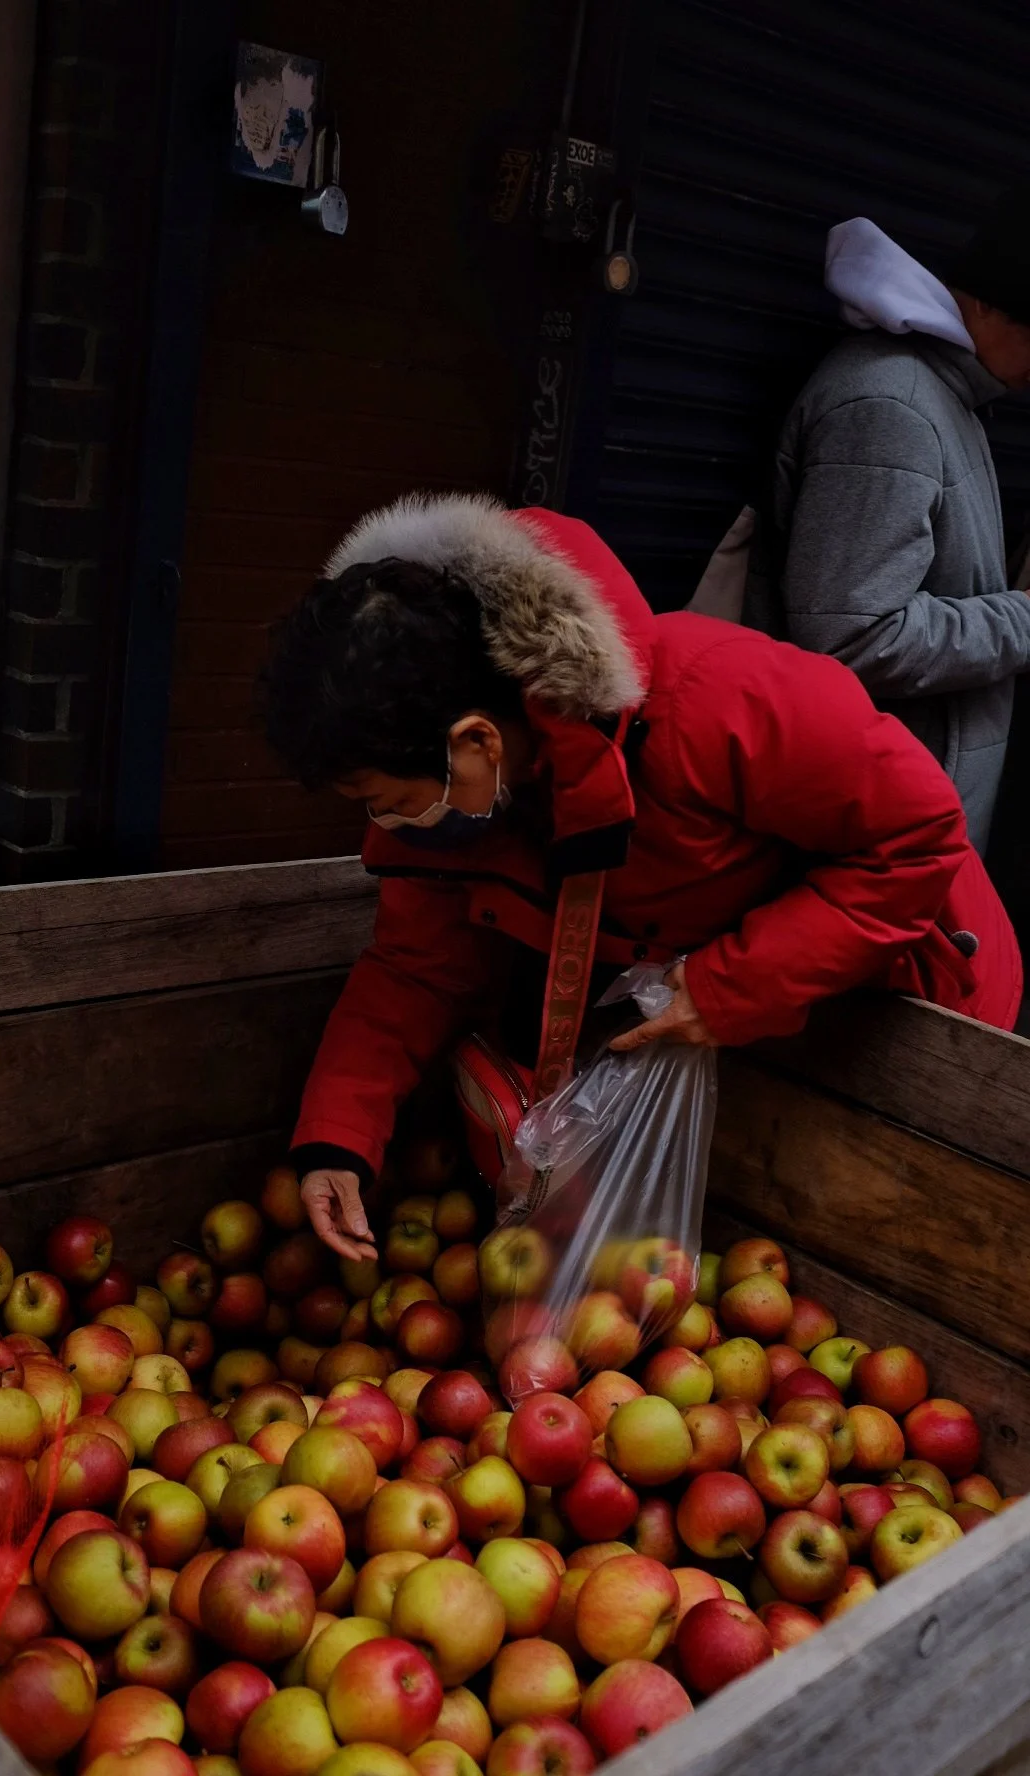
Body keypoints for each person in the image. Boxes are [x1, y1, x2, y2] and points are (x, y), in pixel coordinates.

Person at [264, 494, 1022, 1259]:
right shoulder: (468, 804)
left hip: (909, 1004)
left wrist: (729, 986)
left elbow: (918, 839)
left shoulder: (719, 698)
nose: (386, 824)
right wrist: (337, 1140)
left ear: (477, 739)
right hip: (751, 1041)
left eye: (387, 802)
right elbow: (413, 966)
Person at [747, 192, 1030, 854]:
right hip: (873, 833)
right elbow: (852, 634)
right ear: (985, 301)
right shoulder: (890, 405)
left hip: (907, 820)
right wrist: (1023, 619)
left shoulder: (951, 397)